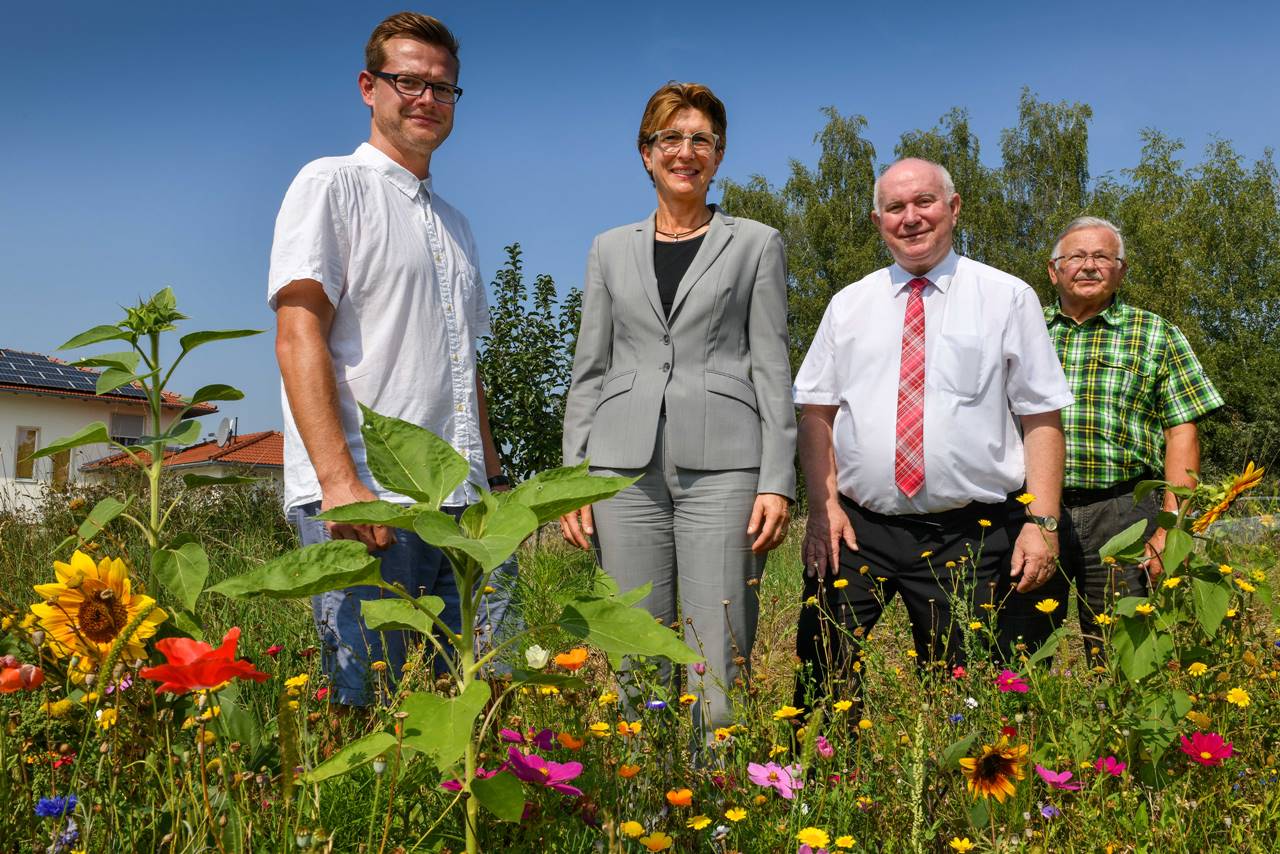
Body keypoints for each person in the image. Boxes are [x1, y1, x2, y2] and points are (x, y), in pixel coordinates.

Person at [268, 12, 513, 705]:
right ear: (368, 86)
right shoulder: (331, 185)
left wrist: (493, 484)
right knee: (368, 703)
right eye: (407, 81)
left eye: (443, 88)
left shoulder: (455, 225)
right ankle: (364, 821)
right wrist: (340, 482)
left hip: (463, 506)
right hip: (371, 494)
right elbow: (298, 335)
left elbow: (466, 370)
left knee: (482, 698)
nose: (426, 99)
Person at [792, 157, 1073, 707]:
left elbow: (1042, 417)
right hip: (856, 529)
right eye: (895, 207)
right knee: (820, 675)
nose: (911, 217)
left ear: (953, 208)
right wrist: (822, 510)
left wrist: (1043, 522)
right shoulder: (848, 305)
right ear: (878, 222)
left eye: (924, 202)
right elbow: (815, 415)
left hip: (968, 532)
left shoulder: (1007, 297)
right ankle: (817, 786)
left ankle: (954, 792)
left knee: (966, 697)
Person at [559, 82, 796, 730]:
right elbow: (590, 369)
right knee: (635, 651)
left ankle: (716, 813)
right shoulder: (609, 249)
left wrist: (778, 479)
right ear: (645, 152)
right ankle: (646, 817)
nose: (685, 151)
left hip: (724, 468)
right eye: (671, 137)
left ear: (718, 156)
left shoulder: (755, 243)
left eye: (701, 140)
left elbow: (773, 366)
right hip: (619, 472)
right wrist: (571, 480)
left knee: (716, 656)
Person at [999, 216, 1223, 660]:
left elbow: (1182, 430)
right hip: (1029, 512)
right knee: (1016, 652)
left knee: (1125, 652)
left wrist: (1170, 527)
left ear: (1121, 270)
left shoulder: (1156, 334)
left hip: (1124, 515)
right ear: (1052, 270)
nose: (1088, 266)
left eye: (1102, 257)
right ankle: (1020, 727)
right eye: (1075, 257)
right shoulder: (1021, 332)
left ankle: (1123, 729)